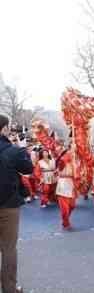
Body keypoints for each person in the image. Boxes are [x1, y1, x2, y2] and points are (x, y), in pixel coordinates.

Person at [0, 114, 33, 293]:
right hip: (8, 206)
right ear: (4, 128)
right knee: (8, 248)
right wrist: (22, 149)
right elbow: (28, 168)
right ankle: (9, 288)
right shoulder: (13, 150)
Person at [55, 143, 77, 230]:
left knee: (72, 205)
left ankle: (65, 219)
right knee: (64, 207)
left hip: (72, 184)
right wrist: (70, 152)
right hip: (63, 184)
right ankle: (65, 223)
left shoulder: (75, 161)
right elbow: (61, 164)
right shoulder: (62, 161)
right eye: (72, 150)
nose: (73, 152)